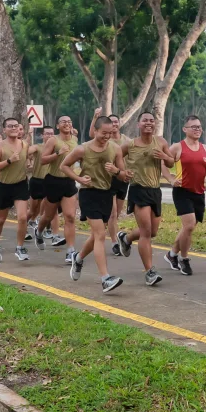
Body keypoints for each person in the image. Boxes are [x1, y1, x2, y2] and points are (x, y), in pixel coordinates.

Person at [62, 116, 129, 293]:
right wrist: (79, 179)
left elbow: (124, 176)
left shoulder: (115, 149)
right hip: (88, 194)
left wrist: (116, 171)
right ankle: (105, 278)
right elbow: (64, 166)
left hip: (106, 194)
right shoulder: (82, 149)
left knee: (96, 235)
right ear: (96, 131)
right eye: (104, 133)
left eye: (111, 133)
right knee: (100, 234)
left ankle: (79, 257)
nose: (107, 136)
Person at [116, 111, 174, 286]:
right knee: (146, 232)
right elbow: (116, 156)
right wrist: (122, 173)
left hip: (155, 191)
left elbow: (171, 162)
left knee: (152, 232)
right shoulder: (130, 145)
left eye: (151, 120)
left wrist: (165, 157)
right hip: (138, 190)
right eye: (145, 121)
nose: (148, 123)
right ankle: (150, 271)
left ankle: (126, 238)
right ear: (138, 125)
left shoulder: (161, 142)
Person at [162, 115, 206, 276]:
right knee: (189, 225)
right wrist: (171, 179)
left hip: (199, 192)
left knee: (189, 228)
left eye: (199, 127)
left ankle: (171, 254)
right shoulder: (177, 147)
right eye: (193, 127)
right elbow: (163, 163)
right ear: (185, 129)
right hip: (182, 191)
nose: (197, 129)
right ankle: (184, 259)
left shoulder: (205, 148)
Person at [35, 115, 79, 263]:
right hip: (53, 181)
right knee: (48, 216)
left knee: (70, 216)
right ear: (57, 126)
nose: (67, 123)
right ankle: (39, 231)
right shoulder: (53, 140)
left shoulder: (75, 140)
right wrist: (58, 153)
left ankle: (70, 251)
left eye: (69, 121)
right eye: (63, 122)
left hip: (69, 181)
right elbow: (42, 160)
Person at [0, 117, 31, 262]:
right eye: (10, 126)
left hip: (20, 185)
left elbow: (28, 160)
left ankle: (19, 247)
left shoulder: (25, 144)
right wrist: (9, 160)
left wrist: (29, 165)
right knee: (0, 219)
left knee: (23, 217)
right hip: (4, 186)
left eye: (16, 126)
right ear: (4, 129)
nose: (13, 128)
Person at [89, 109, 131, 257]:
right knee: (112, 213)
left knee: (116, 214)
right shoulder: (105, 140)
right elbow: (91, 135)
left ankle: (102, 232)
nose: (114, 124)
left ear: (119, 124)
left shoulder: (126, 140)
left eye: (116, 122)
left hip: (121, 178)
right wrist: (95, 117)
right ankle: (114, 242)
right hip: (108, 179)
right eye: (111, 122)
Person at [27, 125, 58, 239]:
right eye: (47, 133)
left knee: (50, 209)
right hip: (36, 181)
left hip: (50, 181)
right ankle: (24, 225)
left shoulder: (57, 149)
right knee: (32, 210)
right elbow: (26, 151)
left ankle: (50, 231)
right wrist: (29, 136)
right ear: (42, 135)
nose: (49, 135)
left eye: (51, 133)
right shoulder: (38, 147)